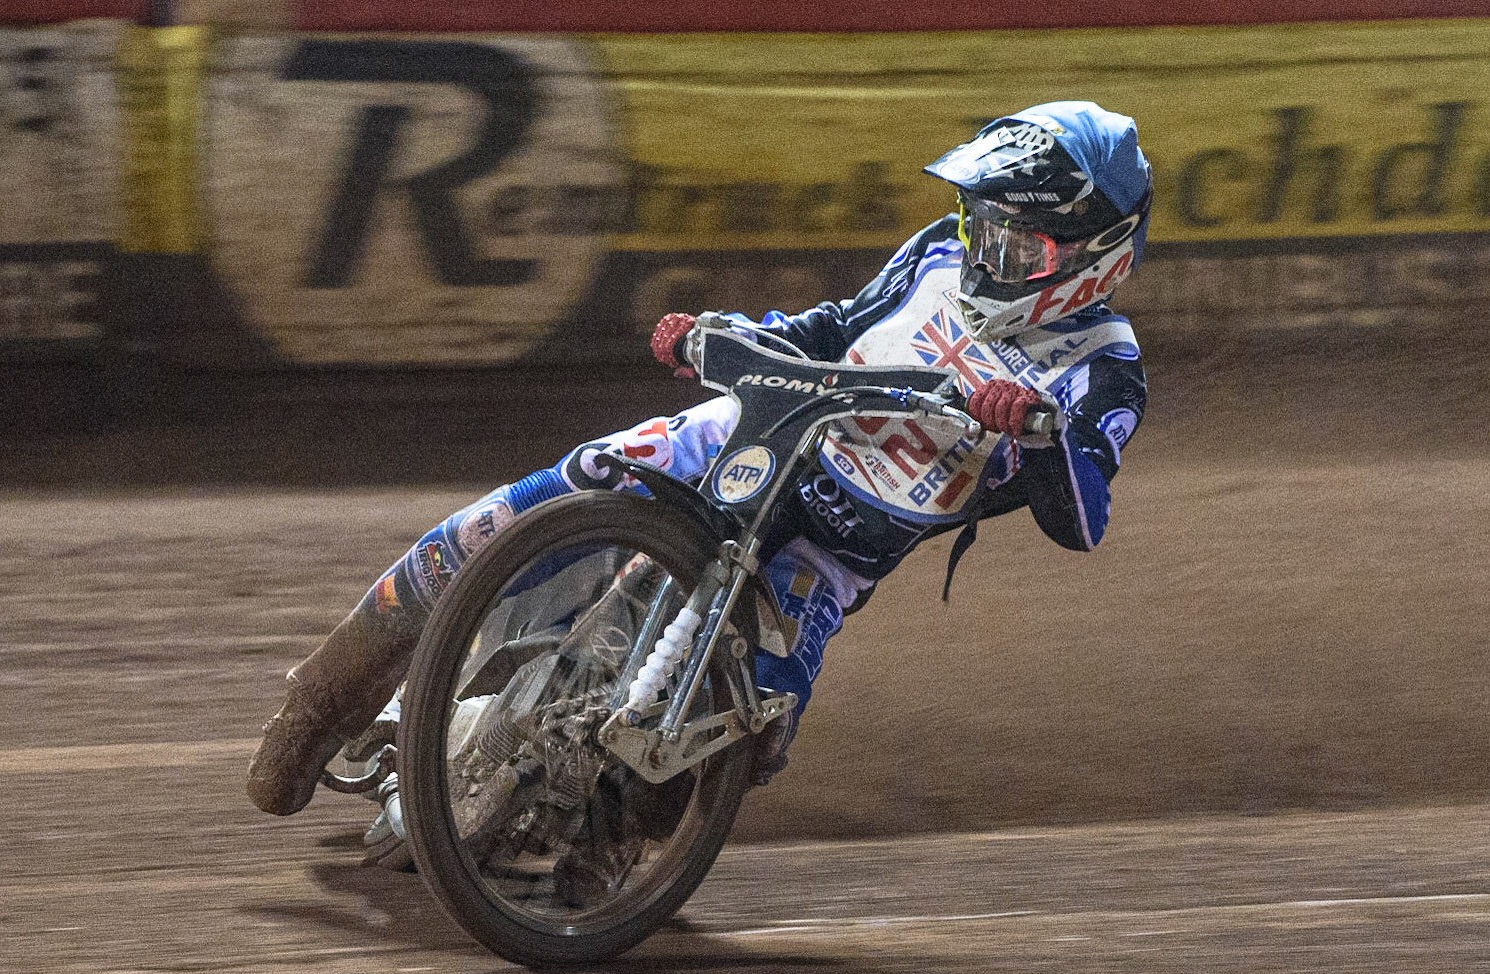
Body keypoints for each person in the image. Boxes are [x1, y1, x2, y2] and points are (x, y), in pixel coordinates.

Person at [246, 99, 1152, 822]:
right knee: (516, 514)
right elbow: (837, 326)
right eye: (978, 221)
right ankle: (320, 705)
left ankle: (587, 851)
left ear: (1094, 259)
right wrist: (728, 336)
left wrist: (1037, 430)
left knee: (737, 749)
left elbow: (1081, 522)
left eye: (1013, 240)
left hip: (828, 555)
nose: (980, 248)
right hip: (743, 437)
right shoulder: (935, 253)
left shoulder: (1103, 370)